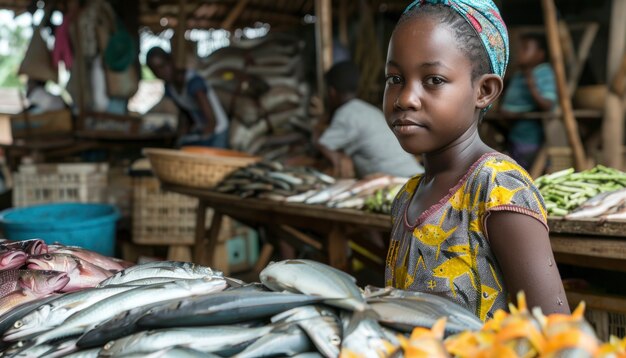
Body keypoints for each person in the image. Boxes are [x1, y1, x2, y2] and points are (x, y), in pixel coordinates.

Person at [383, 0, 569, 320]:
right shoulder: (406, 198)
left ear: (484, 91)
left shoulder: (498, 189)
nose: (405, 99)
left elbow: (556, 334)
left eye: (433, 80)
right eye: (395, 79)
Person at [315, 61, 423, 178]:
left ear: (331, 92)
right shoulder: (366, 109)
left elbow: (323, 144)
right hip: (415, 176)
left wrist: (336, 157)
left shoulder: (346, 113)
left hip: (400, 182)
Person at [146, 47, 229, 148]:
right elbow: (184, 114)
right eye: (155, 70)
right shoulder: (169, 88)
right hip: (202, 130)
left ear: (171, 62)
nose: (160, 72)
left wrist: (201, 142)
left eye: (162, 66)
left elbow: (212, 121)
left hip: (217, 131)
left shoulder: (194, 82)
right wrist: (181, 135)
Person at [500, 33, 557, 169]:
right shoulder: (519, 74)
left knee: (529, 170)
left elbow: (548, 104)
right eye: (519, 49)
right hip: (513, 134)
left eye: (525, 49)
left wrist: (532, 85)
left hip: (532, 138)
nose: (519, 53)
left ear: (540, 54)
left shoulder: (544, 73)